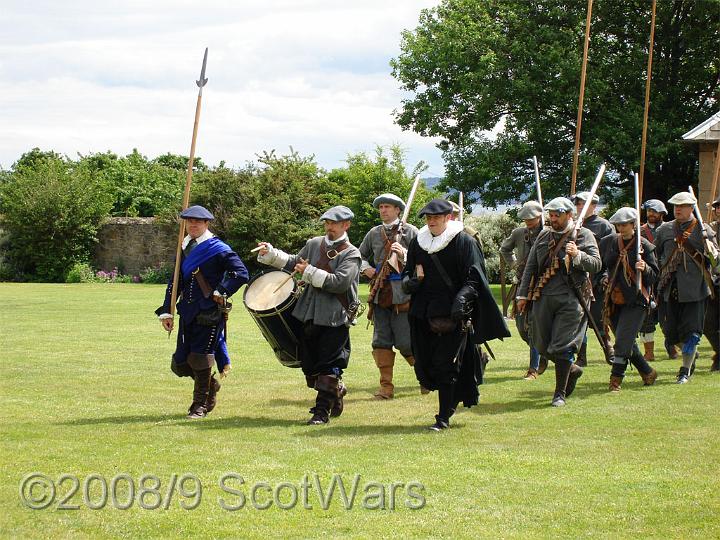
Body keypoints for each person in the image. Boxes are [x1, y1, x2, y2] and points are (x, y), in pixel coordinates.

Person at [402, 199, 509, 431]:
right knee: (427, 362)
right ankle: (472, 368)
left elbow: (474, 277)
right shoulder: (417, 243)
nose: (431, 221)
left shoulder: (464, 241)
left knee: (445, 364)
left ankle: (443, 417)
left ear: (448, 217)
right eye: (428, 218)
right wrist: (411, 282)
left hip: (453, 312)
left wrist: (461, 300)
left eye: (436, 217)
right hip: (423, 311)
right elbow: (407, 272)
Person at [257, 205, 361, 424]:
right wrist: (271, 253)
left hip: (335, 315)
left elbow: (340, 283)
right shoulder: (315, 244)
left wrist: (310, 272)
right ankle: (336, 390)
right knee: (311, 367)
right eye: (327, 223)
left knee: (329, 365)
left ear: (346, 225)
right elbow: (296, 263)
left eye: (334, 223)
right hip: (308, 312)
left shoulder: (352, 253)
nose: (329, 227)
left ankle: (321, 413)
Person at [156, 205, 249, 419]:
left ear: (207, 224)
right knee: (181, 362)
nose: (193, 225)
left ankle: (199, 405)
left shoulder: (218, 248)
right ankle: (210, 384)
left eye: (198, 222)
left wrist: (221, 290)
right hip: (186, 312)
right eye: (189, 221)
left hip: (208, 312)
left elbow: (241, 273)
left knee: (200, 358)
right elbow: (175, 281)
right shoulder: (185, 246)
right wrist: (167, 311)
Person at [516, 197, 601, 407]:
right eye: (551, 215)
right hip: (544, 296)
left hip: (572, 298)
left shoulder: (584, 235)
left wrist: (578, 255)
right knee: (540, 343)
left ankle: (559, 394)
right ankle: (571, 369)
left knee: (562, 346)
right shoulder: (544, 235)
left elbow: (596, 264)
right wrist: (523, 294)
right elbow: (531, 267)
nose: (553, 219)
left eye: (557, 215)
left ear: (569, 215)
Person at [359, 193, 421, 399]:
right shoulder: (374, 233)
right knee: (381, 341)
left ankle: (425, 377)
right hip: (380, 293)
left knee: (406, 342)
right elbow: (358, 256)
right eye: (381, 207)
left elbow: (423, 260)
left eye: (387, 207)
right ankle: (386, 387)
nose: (383, 210)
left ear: (397, 210)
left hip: (403, 294)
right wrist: (366, 269)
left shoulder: (412, 232)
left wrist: (403, 253)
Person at [654, 191, 718, 384]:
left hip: (695, 289)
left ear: (692, 208)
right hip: (668, 288)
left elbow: (716, 262)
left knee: (691, 333)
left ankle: (684, 370)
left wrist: (710, 248)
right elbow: (656, 256)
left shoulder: (703, 229)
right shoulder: (664, 230)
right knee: (670, 334)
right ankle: (691, 354)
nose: (678, 209)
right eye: (675, 206)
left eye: (682, 206)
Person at [599, 207, 659, 391]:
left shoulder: (645, 246)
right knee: (627, 341)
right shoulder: (608, 242)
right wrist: (604, 278)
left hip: (637, 300)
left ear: (633, 224)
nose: (621, 227)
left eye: (624, 224)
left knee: (622, 343)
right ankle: (647, 371)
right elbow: (602, 267)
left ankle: (615, 379)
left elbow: (655, 275)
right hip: (614, 299)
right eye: (618, 224)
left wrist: (645, 268)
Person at [500, 200, 546, 380]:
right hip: (523, 283)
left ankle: (533, 368)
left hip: (543, 284)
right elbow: (505, 249)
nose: (528, 221)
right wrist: (515, 265)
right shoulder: (519, 233)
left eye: (531, 218)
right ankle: (542, 352)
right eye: (525, 218)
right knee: (521, 327)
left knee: (534, 326)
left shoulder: (547, 233)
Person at [573, 191, 614, 366]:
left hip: (597, 280)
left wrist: (605, 276)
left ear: (594, 205)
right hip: (578, 279)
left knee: (597, 319)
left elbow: (611, 254)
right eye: (578, 204)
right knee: (578, 319)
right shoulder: (573, 225)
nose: (580, 207)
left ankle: (608, 349)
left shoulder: (604, 226)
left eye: (584, 204)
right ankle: (581, 357)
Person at [638, 199, 669, 360]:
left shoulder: (670, 229)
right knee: (647, 317)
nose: (651, 214)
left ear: (662, 213)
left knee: (668, 316)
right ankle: (649, 352)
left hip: (666, 276)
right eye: (649, 211)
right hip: (647, 277)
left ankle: (674, 346)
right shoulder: (639, 231)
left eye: (654, 211)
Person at [703, 196, 720, 372]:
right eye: (717, 207)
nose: (719, 210)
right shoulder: (709, 229)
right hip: (712, 281)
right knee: (708, 323)